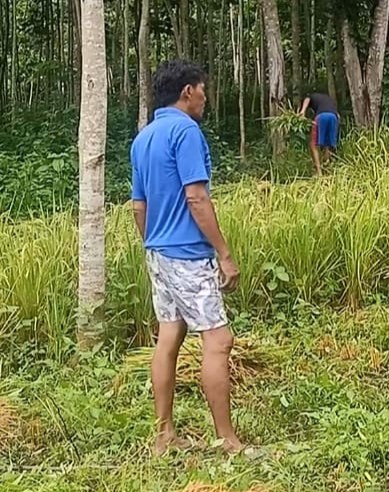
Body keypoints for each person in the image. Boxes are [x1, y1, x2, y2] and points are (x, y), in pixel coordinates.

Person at [130, 59, 245, 457]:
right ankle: (228, 441)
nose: (206, 98)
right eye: (203, 90)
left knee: (169, 337)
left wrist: (154, 245)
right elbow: (196, 197)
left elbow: (137, 207)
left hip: (158, 252)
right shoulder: (186, 132)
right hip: (188, 254)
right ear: (187, 92)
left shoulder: (143, 137)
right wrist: (224, 254)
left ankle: (164, 436)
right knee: (218, 340)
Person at [298, 92, 340, 176]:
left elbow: (307, 98)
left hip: (322, 116)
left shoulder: (312, 96)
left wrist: (302, 111)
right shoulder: (328, 100)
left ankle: (319, 172)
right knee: (327, 145)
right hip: (334, 117)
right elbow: (338, 116)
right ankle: (328, 169)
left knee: (313, 145)